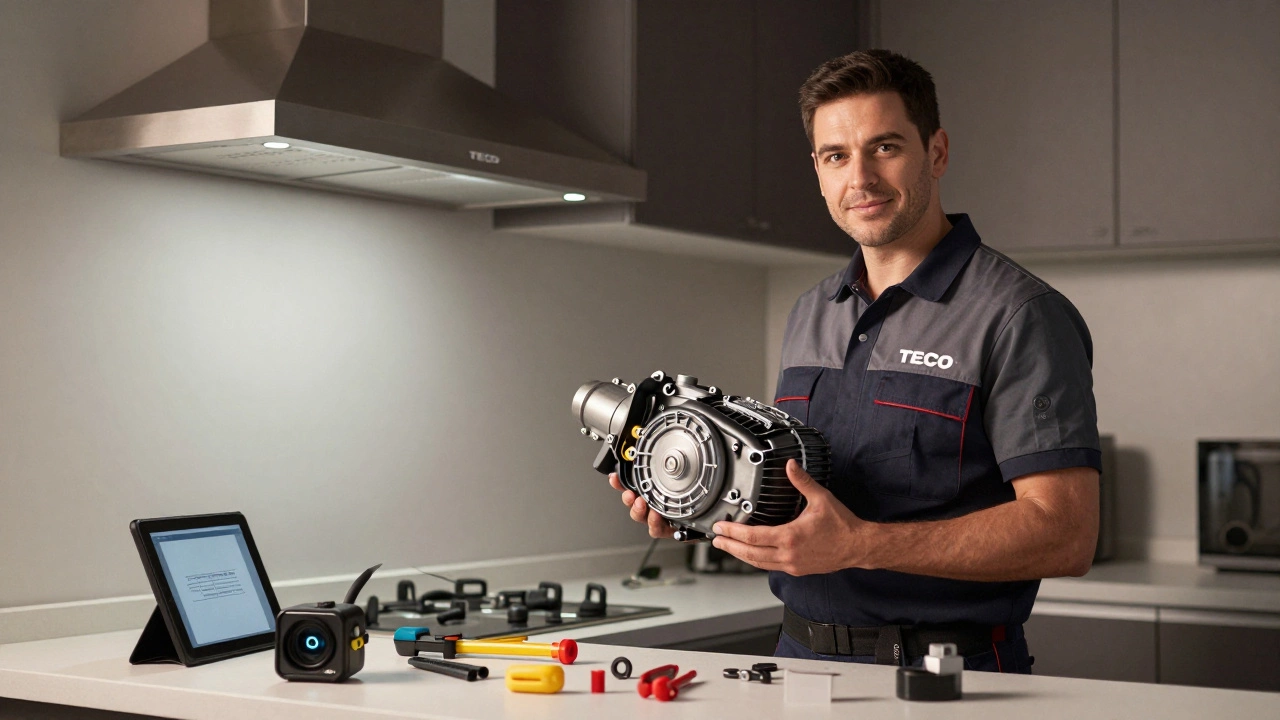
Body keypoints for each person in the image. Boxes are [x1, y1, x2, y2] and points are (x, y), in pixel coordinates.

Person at [609, 49, 1101, 673]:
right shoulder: (811, 311)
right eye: (836, 156)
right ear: (817, 170)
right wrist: (695, 496)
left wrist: (862, 545)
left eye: (886, 147)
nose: (859, 178)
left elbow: (1065, 534)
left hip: (947, 679)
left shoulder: (1018, 315)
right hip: (796, 664)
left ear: (937, 152)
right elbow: (803, 501)